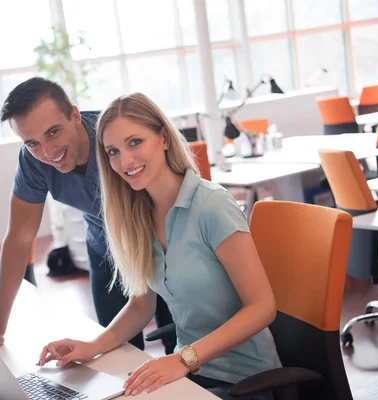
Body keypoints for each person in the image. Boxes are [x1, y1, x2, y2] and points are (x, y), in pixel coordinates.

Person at [38, 93, 281, 399]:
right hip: (189, 376)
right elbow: (142, 305)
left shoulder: (211, 205)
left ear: (164, 138)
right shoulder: (139, 215)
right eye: (113, 151)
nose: (125, 161)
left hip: (245, 381)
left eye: (135, 142)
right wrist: (91, 347)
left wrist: (183, 359)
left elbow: (262, 308)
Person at [0, 78, 175, 356]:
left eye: (53, 133)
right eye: (32, 143)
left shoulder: (113, 138)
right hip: (107, 251)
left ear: (75, 115)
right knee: (120, 354)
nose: (48, 152)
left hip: (164, 246)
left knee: (179, 346)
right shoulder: (33, 161)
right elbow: (19, 238)